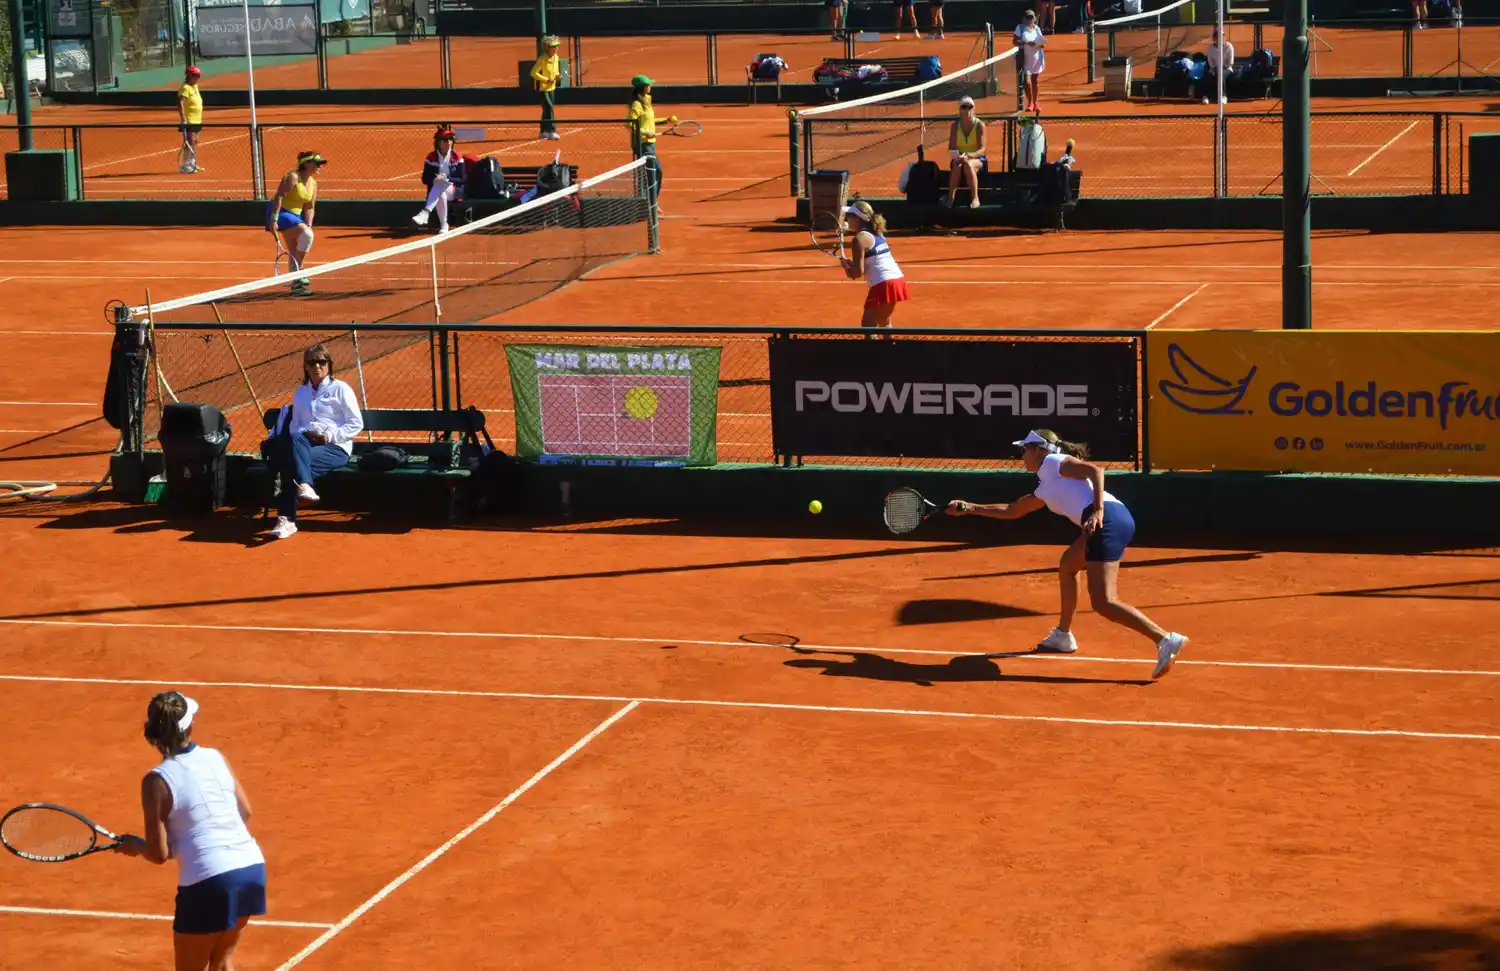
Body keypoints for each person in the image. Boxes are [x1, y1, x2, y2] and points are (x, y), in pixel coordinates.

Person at [945, 429, 1189, 679]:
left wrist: (1097, 510)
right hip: (1112, 519)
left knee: (1104, 601)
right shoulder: (1046, 485)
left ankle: (1164, 638)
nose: (1021, 456)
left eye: (1024, 450)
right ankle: (1063, 635)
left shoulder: (1054, 463)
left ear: (1039, 450)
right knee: (1068, 566)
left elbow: (1096, 471)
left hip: (1106, 520)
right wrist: (969, 507)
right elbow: (1012, 510)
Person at [117, 692, 267, 971]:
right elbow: (244, 812)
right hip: (250, 868)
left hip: (207, 883)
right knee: (222, 963)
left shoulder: (156, 781)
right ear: (188, 727)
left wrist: (134, 845)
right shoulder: (215, 757)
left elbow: (158, 853)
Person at [260, 343, 364, 541]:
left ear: (329, 365)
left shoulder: (341, 389)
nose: (317, 366)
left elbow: (356, 423)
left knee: (290, 466)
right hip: (305, 445)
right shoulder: (301, 393)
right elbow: (294, 427)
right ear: (306, 367)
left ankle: (287, 519)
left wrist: (329, 436)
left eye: (321, 362)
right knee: (297, 440)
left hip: (336, 448)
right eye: (312, 362)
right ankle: (304, 487)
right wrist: (308, 433)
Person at [839, 199, 910, 329]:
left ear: (858, 218)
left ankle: (872, 349)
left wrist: (847, 266)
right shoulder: (878, 232)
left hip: (883, 284)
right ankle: (890, 347)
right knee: (884, 321)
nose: (847, 219)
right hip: (897, 279)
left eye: (850, 216)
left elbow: (857, 273)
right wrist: (847, 229)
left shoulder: (858, 240)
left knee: (868, 324)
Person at [266, 151, 326, 297]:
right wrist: (274, 219)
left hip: (296, 216)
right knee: (307, 235)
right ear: (306, 164)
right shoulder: (293, 177)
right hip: (281, 213)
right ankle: (297, 271)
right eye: (316, 164)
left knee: (296, 248)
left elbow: (310, 207)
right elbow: (279, 196)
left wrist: (309, 224)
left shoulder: (313, 183)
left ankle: (296, 286)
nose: (320, 166)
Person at [627, 74, 667, 215]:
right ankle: (651, 205)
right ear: (642, 88)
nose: (650, 86)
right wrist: (645, 133)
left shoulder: (647, 100)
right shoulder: (637, 104)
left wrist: (665, 120)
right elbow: (630, 124)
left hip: (650, 143)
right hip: (642, 144)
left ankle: (651, 203)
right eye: (648, 84)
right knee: (654, 172)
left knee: (654, 172)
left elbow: (649, 121)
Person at [413, 127, 465, 233]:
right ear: (438, 143)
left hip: (455, 190)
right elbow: (425, 179)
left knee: (441, 184)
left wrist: (447, 178)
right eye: (445, 140)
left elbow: (463, 179)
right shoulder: (431, 157)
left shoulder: (457, 157)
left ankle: (426, 212)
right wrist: (435, 178)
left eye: (450, 139)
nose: (449, 142)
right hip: (438, 190)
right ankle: (444, 225)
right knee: (441, 191)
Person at [946, 96, 987, 209]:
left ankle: (975, 198)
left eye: (970, 107)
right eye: (964, 107)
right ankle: (951, 197)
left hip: (978, 160)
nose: (967, 110)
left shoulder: (979, 125)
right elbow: (952, 147)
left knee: (968, 164)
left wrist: (968, 156)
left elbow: (982, 150)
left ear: (973, 109)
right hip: (960, 159)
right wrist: (957, 157)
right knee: (958, 166)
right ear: (960, 110)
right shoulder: (955, 126)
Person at [530, 35, 562, 141]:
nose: (556, 48)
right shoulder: (541, 60)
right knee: (549, 108)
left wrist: (557, 76)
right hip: (542, 89)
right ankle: (552, 131)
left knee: (546, 110)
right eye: (553, 46)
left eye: (557, 46)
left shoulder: (556, 58)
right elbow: (533, 73)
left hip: (551, 88)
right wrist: (546, 79)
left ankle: (543, 132)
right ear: (547, 47)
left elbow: (556, 70)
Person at [1014, 10, 1047, 113]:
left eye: (1031, 18)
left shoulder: (1037, 29)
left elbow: (1043, 44)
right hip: (1025, 59)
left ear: (1034, 19)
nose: (1030, 20)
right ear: (1024, 18)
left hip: (1037, 58)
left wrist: (1038, 44)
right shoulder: (1020, 28)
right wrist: (1026, 43)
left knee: (1035, 81)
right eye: (1028, 18)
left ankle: (1035, 103)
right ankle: (1030, 102)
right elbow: (1015, 41)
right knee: (1027, 82)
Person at [177, 66, 204, 175]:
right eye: (196, 75)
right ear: (189, 76)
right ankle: (185, 165)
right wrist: (183, 119)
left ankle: (192, 164)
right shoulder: (185, 88)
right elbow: (180, 103)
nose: (198, 77)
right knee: (189, 142)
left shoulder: (195, 86)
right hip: (189, 120)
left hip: (198, 120)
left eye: (199, 75)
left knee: (195, 142)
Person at [1199, 26, 1234, 105]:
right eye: (1218, 36)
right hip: (1214, 69)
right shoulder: (1211, 47)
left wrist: (1221, 68)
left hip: (1227, 69)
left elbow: (1230, 62)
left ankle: (1223, 96)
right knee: (1207, 74)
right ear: (1214, 38)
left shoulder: (1229, 46)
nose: (1221, 38)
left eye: (1222, 36)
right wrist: (1214, 68)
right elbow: (1210, 61)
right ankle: (1206, 96)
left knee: (1220, 74)